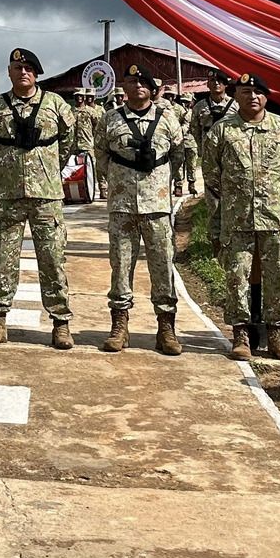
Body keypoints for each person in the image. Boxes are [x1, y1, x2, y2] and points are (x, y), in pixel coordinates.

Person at [0, 47, 78, 350]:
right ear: (9, 72)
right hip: (9, 195)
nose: (23, 73)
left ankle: (60, 323)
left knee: (53, 259)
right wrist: (5, 170)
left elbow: (67, 143)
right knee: (4, 259)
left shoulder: (56, 104)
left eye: (29, 69)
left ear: (37, 73)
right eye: (17, 68)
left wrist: (47, 168)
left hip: (46, 195)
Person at [200, 72, 280, 362]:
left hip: (274, 219)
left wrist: (275, 196)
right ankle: (241, 336)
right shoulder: (222, 131)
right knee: (237, 277)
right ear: (236, 95)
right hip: (237, 219)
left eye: (258, 91)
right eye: (245, 91)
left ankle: (276, 336)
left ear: (266, 96)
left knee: (277, 277)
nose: (252, 97)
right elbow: (211, 174)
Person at [96, 61, 189, 355]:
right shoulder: (110, 119)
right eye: (132, 82)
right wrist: (114, 182)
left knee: (162, 265)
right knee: (120, 265)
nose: (137, 87)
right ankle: (120, 325)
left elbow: (178, 152)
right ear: (124, 88)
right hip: (122, 204)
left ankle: (166, 328)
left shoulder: (167, 118)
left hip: (157, 204)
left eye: (143, 83)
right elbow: (100, 154)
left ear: (153, 89)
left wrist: (164, 181)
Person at [187, 68, 237, 250]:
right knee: (213, 201)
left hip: (232, 159)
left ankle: (232, 237)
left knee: (233, 198)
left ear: (226, 85)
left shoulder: (235, 105)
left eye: (220, 81)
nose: (216, 84)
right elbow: (195, 129)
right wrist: (202, 150)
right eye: (213, 81)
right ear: (207, 84)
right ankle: (216, 240)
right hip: (210, 160)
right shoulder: (200, 107)